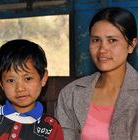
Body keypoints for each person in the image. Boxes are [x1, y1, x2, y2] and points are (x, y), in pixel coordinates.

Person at [55, 7, 138, 140]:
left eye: (112, 40)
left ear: (131, 45)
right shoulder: (71, 94)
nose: (102, 49)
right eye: (96, 40)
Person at [0, 39, 64, 140]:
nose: (20, 88)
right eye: (11, 80)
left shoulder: (51, 127)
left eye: (28, 78)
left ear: (43, 78)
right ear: (1, 84)